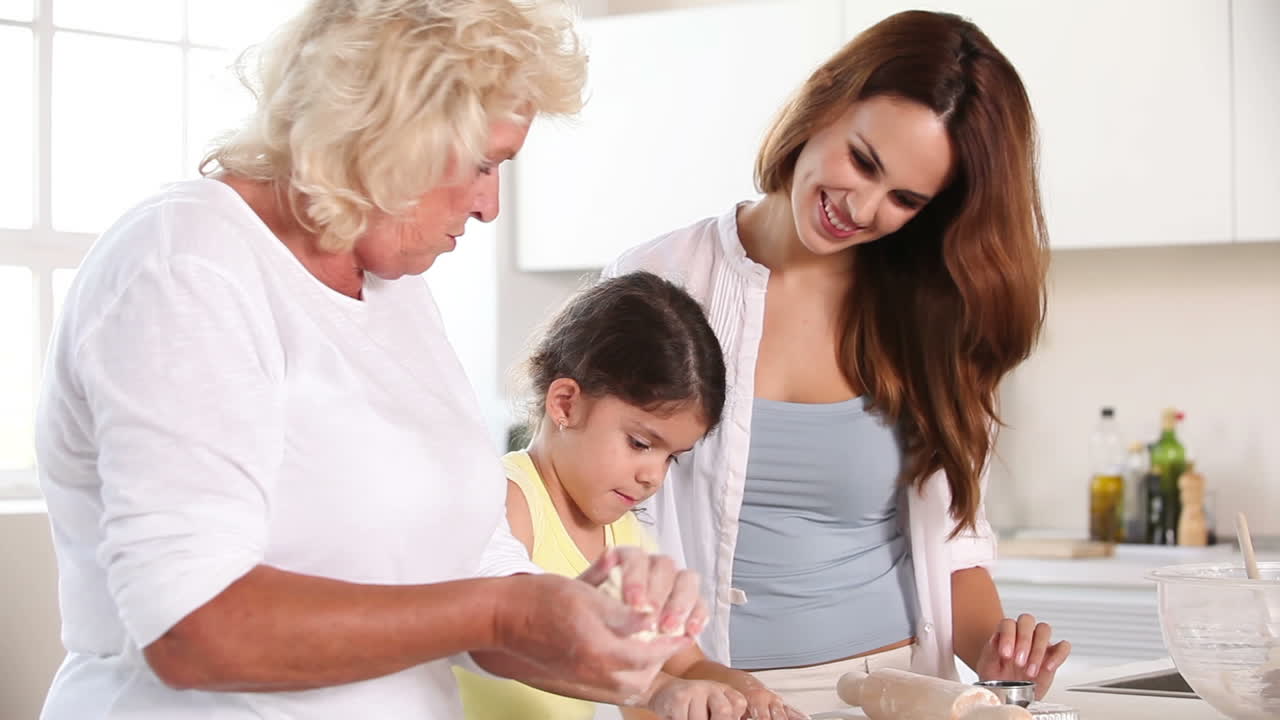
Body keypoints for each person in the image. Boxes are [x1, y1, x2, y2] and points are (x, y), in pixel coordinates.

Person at [35, 2, 705, 718]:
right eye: (484, 163)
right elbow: (191, 627)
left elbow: (467, 565)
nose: (488, 207)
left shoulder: (395, 295)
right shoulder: (185, 266)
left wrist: (619, 640)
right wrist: (507, 611)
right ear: (393, 129)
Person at [603, 10, 1071, 715]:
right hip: (711, 695)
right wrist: (673, 682)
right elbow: (592, 516)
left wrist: (1001, 662)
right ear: (826, 104)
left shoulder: (928, 316)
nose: (861, 207)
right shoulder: (658, 279)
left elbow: (956, 551)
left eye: (905, 199)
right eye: (863, 161)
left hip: (897, 690)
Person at [454, 271, 805, 720]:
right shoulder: (507, 504)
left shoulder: (625, 536)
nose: (653, 477)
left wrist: (746, 692)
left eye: (671, 458)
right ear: (565, 403)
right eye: (640, 444)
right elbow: (505, 636)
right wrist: (660, 690)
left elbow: (686, 663)